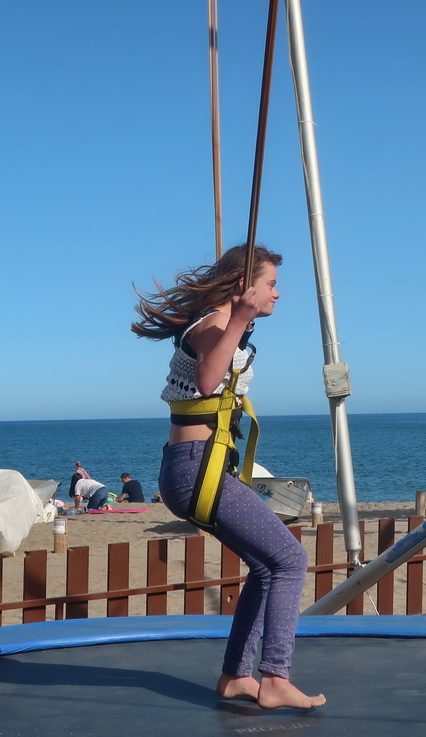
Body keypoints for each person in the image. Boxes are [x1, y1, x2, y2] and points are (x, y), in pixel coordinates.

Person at [131, 245, 324, 709]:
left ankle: (237, 675)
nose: (278, 293)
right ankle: (275, 677)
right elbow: (206, 379)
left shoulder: (219, 323)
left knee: (267, 566)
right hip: (196, 467)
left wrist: (242, 320)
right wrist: (237, 319)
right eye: (272, 284)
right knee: (291, 561)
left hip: (201, 466)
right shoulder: (213, 325)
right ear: (244, 285)